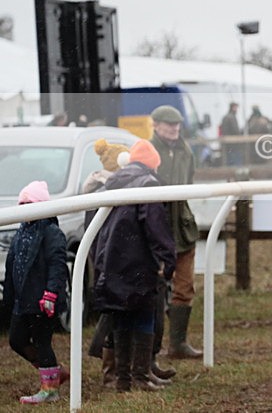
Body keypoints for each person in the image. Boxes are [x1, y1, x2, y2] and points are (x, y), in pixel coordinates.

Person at [93, 140, 176, 392]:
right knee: (143, 314)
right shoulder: (148, 184)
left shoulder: (112, 181)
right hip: (138, 260)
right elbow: (155, 226)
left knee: (121, 318)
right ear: (153, 163)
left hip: (111, 259)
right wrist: (168, 257)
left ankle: (123, 380)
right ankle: (141, 376)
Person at [5, 181, 69, 404]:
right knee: (16, 339)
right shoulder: (21, 232)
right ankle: (54, 373)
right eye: (21, 203)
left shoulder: (51, 233)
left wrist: (51, 293)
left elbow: (57, 264)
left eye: (29, 203)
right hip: (23, 300)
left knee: (43, 342)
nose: (24, 208)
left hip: (43, 300)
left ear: (41, 206)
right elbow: (13, 266)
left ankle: (50, 389)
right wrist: (9, 298)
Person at [149, 105, 203, 359]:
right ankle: (151, 347)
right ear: (156, 125)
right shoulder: (149, 152)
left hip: (181, 227)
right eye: (169, 124)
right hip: (155, 227)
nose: (174, 129)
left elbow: (188, 183)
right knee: (154, 288)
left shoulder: (185, 151)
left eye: (177, 124)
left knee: (185, 287)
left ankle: (178, 344)